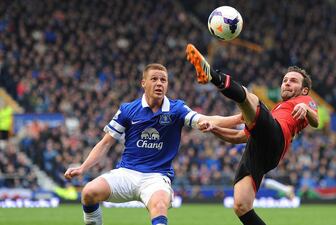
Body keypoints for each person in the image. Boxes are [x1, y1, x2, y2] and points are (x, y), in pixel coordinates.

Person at [64, 63, 242, 225]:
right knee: (88, 193)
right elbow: (105, 143)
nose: (159, 83)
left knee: (159, 206)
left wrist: (240, 118)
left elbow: (208, 119)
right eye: (154, 79)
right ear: (143, 83)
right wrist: (83, 168)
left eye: (163, 80)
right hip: (127, 173)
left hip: (157, 177)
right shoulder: (128, 110)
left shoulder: (176, 109)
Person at [186, 44, 319, 225]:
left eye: (293, 80)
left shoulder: (305, 100)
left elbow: (316, 121)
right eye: (285, 80)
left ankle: (213, 76)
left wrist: (306, 108)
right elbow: (240, 137)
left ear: (304, 90)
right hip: (260, 150)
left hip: (276, 138)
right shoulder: (275, 111)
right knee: (241, 206)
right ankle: (204, 100)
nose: (287, 82)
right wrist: (214, 128)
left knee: (253, 99)